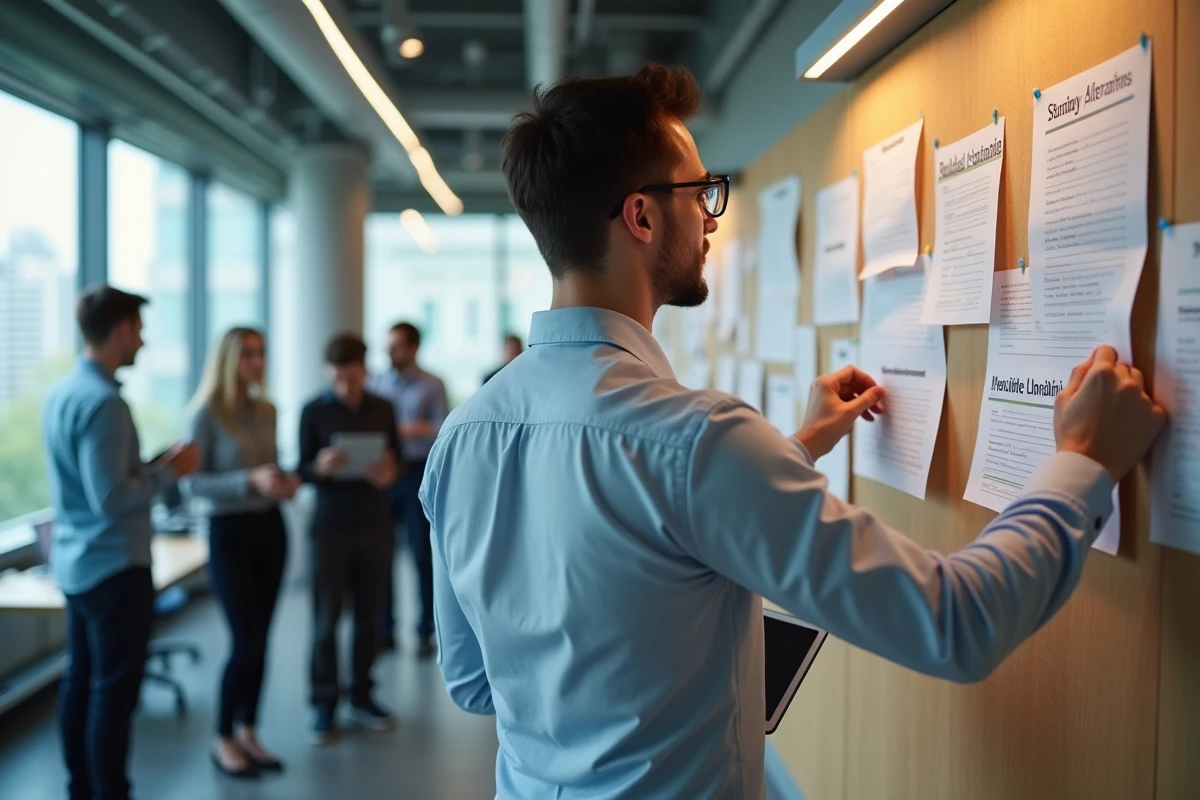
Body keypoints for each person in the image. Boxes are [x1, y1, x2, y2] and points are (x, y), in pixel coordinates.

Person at [416, 64, 1167, 799]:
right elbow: (956, 624)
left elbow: (476, 681)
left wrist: (795, 448)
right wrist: (1084, 459)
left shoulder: (462, 438)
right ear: (641, 217)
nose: (712, 216)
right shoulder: (696, 441)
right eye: (700, 192)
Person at [42, 285, 199, 800]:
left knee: (81, 682)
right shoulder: (105, 403)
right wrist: (171, 472)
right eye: (141, 330)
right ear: (122, 330)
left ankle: (81, 788)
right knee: (113, 694)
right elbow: (111, 498)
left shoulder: (63, 393)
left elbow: (98, 482)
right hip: (114, 567)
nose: (144, 342)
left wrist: (152, 466)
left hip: (75, 563)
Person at [182, 327, 298, 778]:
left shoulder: (268, 410)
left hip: (270, 528)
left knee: (261, 639)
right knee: (245, 640)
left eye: (262, 353)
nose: (258, 361)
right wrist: (249, 480)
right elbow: (192, 484)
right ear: (229, 359)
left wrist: (283, 482)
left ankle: (249, 730)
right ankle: (223, 737)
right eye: (249, 353)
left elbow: (270, 466)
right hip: (229, 532)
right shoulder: (205, 414)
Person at [298, 333, 402, 745]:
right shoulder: (313, 411)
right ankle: (324, 703)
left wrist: (389, 473)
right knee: (326, 620)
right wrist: (319, 467)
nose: (345, 387)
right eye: (338, 380)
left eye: (352, 379)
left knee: (369, 617)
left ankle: (362, 694)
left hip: (374, 522)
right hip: (330, 526)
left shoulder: (383, 408)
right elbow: (301, 469)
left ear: (365, 371)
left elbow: (396, 459)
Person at [365, 322, 448, 658]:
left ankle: (425, 630)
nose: (390, 352)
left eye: (396, 345)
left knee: (420, 554)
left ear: (413, 347)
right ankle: (385, 628)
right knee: (381, 554)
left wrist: (407, 429)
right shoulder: (376, 383)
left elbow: (442, 427)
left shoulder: (432, 384)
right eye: (388, 345)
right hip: (384, 472)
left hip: (416, 472)